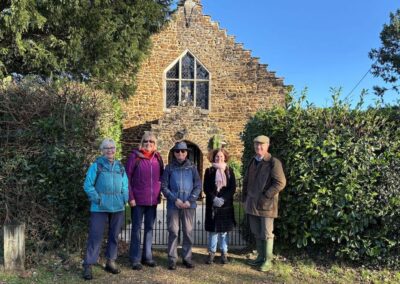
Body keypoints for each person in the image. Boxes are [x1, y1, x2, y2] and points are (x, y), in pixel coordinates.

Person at [82, 138, 128, 280]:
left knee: (114, 235)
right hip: (99, 207)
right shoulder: (97, 165)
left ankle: (110, 261)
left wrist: (124, 198)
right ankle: (88, 264)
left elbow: (125, 185)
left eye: (112, 148)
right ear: (102, 150)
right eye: (106, 148)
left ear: (115, 149)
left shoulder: (120, 166)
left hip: (117, 207)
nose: (110, 150)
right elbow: (87, 185)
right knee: (95, 237)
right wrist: (98, 199)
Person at [242, 135, 286, 272]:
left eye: (261, 145)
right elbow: (246, 181)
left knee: (267, 233)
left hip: (267, 205)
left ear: (267, 146)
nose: (258, 147)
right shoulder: (252, 161)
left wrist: (267, 195)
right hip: (252, 204)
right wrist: (245, 198)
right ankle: (260, 257)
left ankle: (268, 260)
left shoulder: (273, 162)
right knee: (257, 232)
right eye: (256, 145)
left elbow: (280, 183)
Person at [126, 132, 164, 270]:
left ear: (155, 145)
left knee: (149, 229)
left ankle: (147, 256)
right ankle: (135, 258)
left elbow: (161, 177)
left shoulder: (158, 158)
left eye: (151, 142)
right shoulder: (134, 157)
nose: (149, 144)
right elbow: (127, 179)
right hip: (137, 201)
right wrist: (130, 197)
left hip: (152, 201)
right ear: (142, 143)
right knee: (136, 229)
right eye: (146, 141)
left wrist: (159, 193)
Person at [161, 141, 201, 270]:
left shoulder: (193, 167)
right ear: (174, 153)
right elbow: (164, 186)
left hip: (189, 205)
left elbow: (198, 185)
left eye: (183, 151)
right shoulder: (169, 168)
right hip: (174, 205)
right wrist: (174, 199)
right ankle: (172, 258)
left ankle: (187, 257)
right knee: (173, 231)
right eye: (177, 151)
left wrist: (190, 200)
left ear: (186, 153)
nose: (180, 153)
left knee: (188, 232)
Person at [203, 148, 236, 264]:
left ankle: (224, 254)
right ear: (213, 157)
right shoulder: (209, 171)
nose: (219, 158)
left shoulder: (229, 171)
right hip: (213, 206)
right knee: (213, 232)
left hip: (225, 206)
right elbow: (206, 188)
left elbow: (232, 188)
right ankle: (211, 253)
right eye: (217, 156)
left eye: (221, 156)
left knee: (224, 232)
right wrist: (214, 198)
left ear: (225, 157)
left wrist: (223, 198)